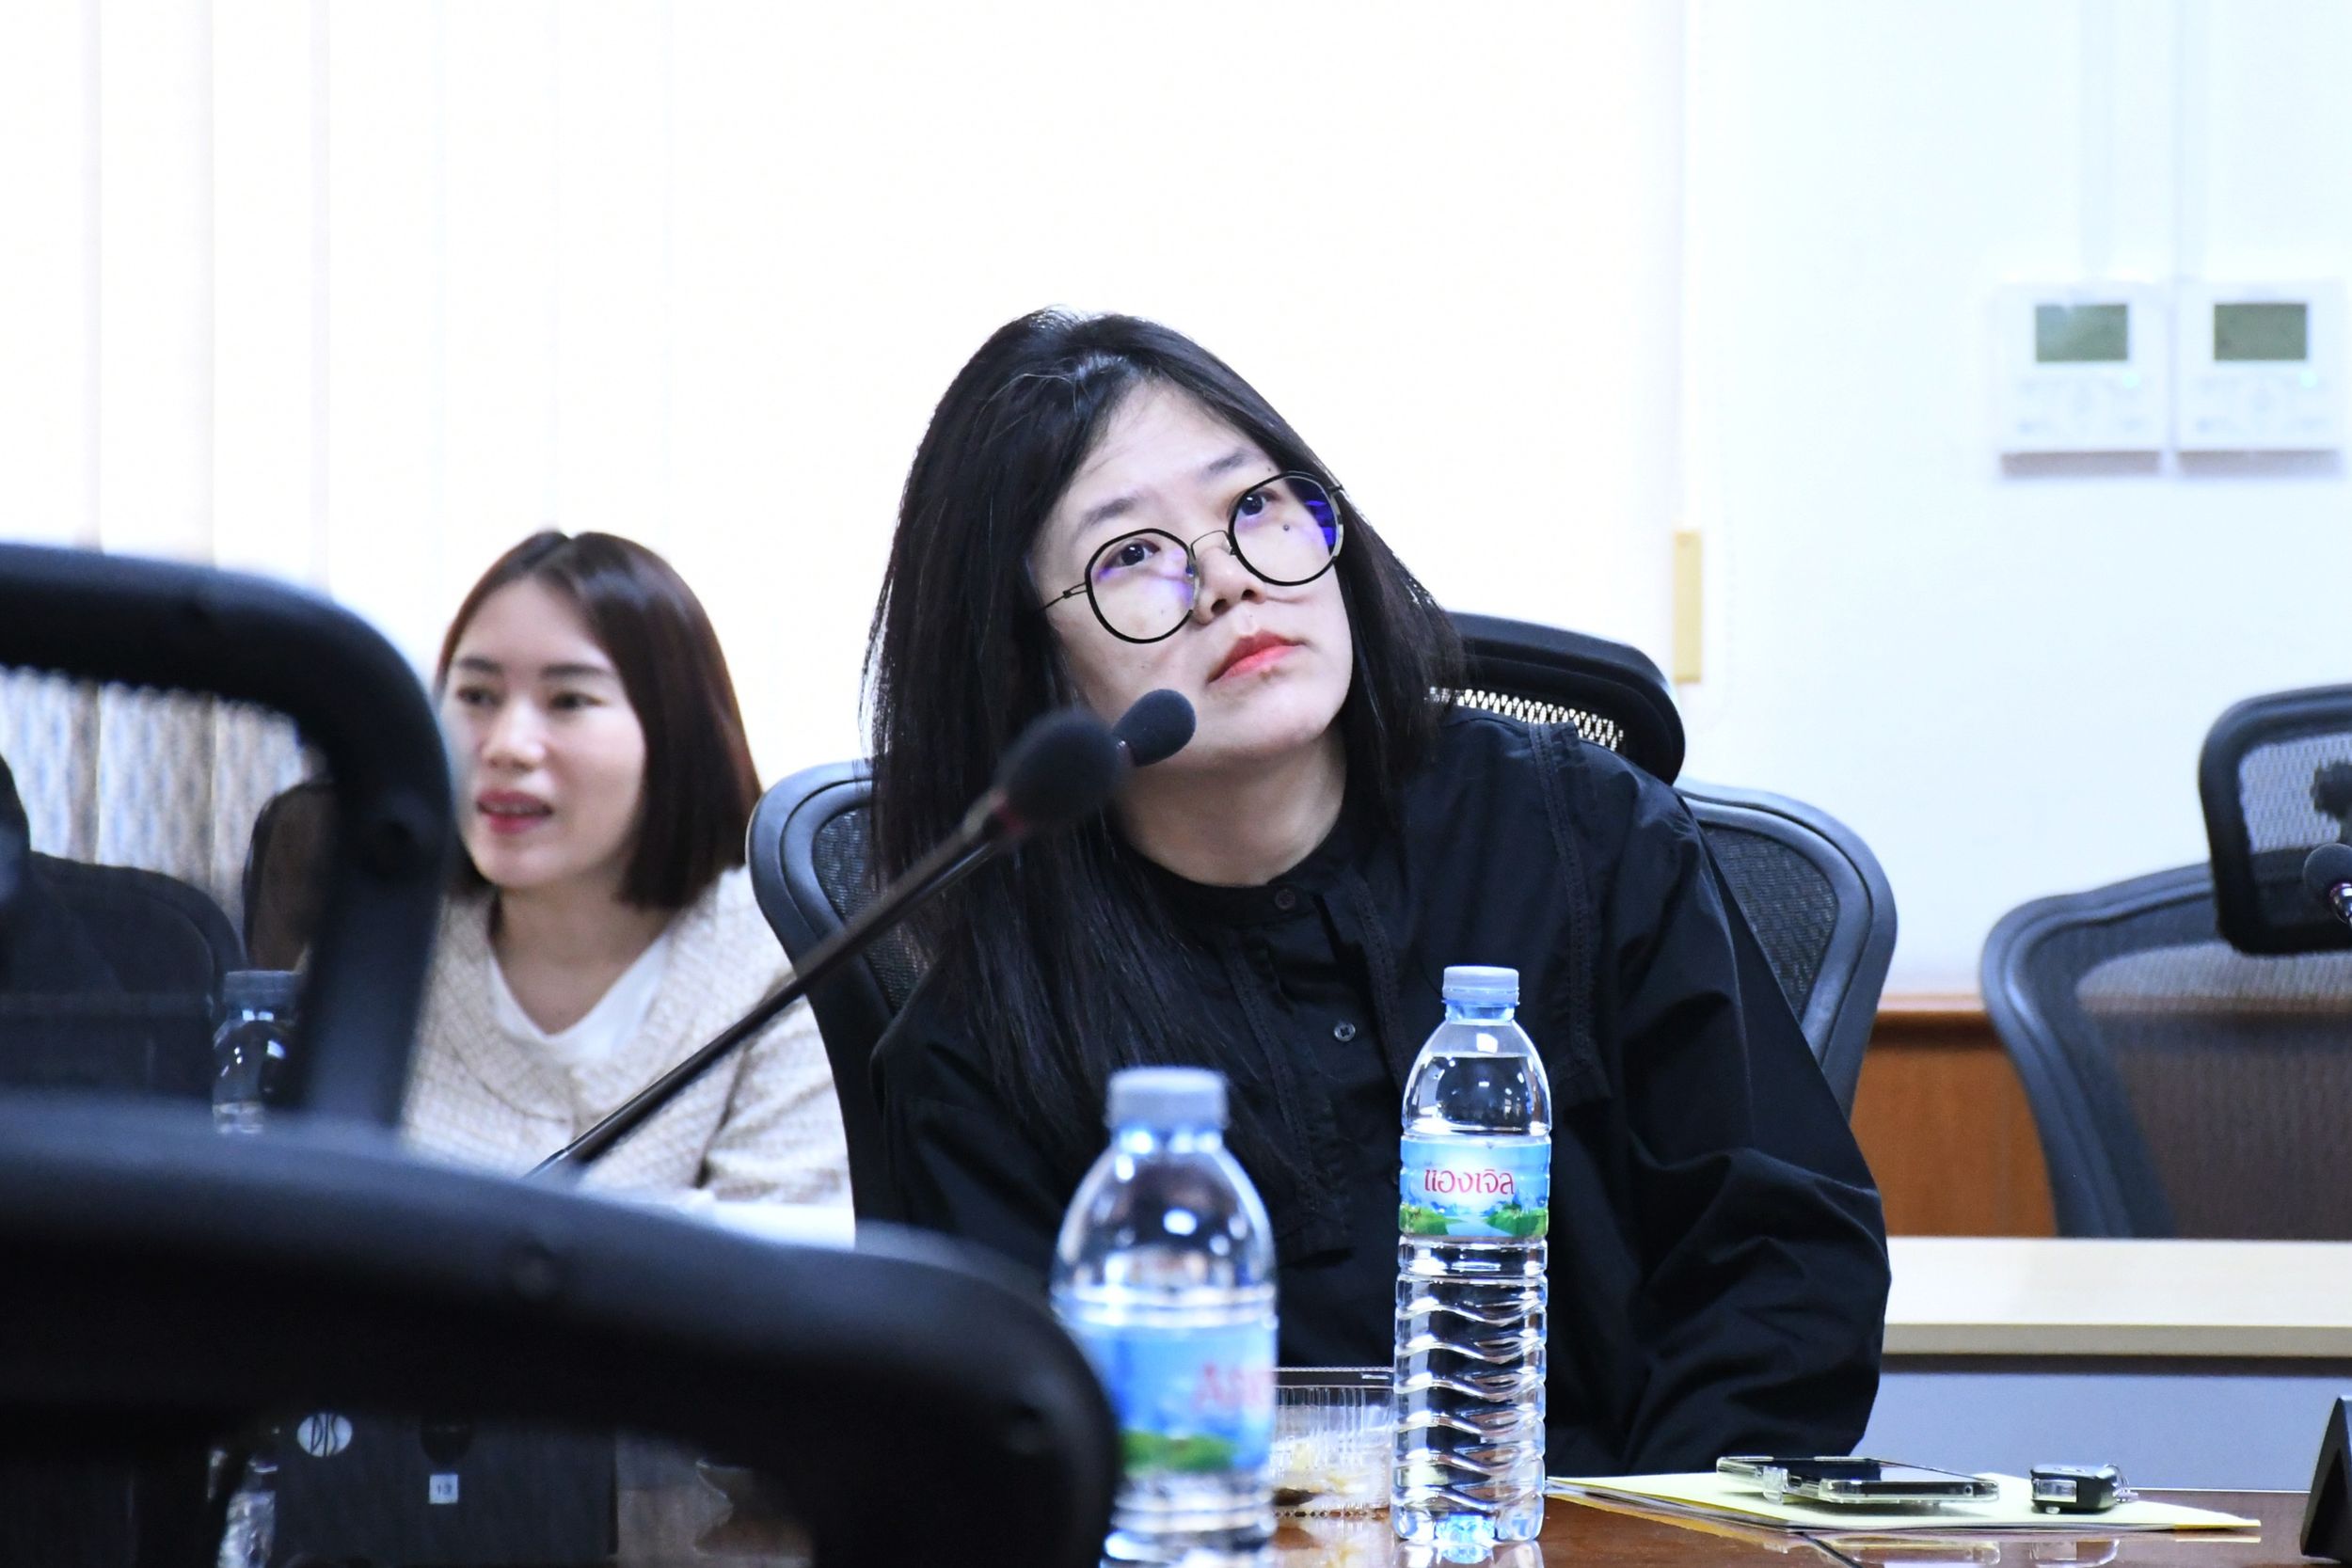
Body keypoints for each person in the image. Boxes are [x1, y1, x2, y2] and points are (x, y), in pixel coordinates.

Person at [865, 309, 1889, 1474]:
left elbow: (1782, 1268)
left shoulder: (1584, 835)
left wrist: (1638, 1536)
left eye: (1256, 504)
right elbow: (1006, 1443)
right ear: (1025, 663)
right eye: (1132, 556)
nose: (1229, 581)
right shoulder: (990, 1028)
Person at [403, 531, 848, 1212]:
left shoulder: (782, 967)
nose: (507, 745)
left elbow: (776, 1260)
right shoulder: (386, 944)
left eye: (568, 701)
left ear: (673, 731)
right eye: (477, 694)